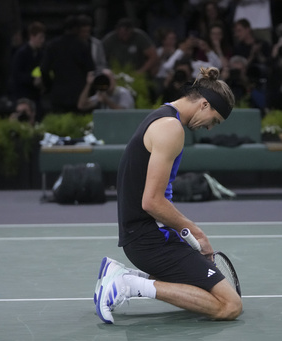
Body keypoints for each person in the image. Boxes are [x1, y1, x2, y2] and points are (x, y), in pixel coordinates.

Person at [94, 66, 242, 324]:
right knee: (229, 306)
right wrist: (196, 232)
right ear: (204, 105)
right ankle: (127, 285)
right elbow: (151, 201)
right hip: (150, 240)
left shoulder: (161, 116)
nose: (210, 129)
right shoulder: (171, 129)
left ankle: (125, 277)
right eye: (215, 120)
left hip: (143, 235)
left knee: (202, 298)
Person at [8, 21, 46, 121]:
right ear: (32, 36)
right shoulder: (21, 53)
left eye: (43, 38)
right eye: (40, 37)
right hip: (22, 94)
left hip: (35, 94)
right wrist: (32, 79)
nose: (42, 40)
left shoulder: (41, 54)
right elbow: (16, 74)